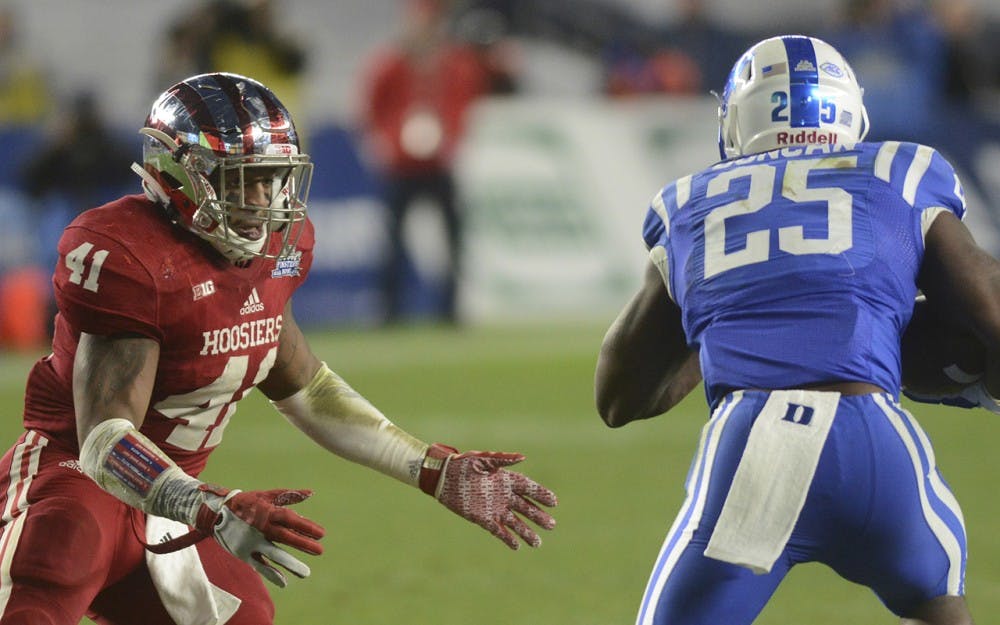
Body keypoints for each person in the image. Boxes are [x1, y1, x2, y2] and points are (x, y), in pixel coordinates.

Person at [0, 72, 557, 624]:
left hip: (171, 508)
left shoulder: (277, 252)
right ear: (181, 176)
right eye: (242, 180)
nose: (263, 199)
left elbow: (303, 384)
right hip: (73, 480)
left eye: (271, 179)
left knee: (243, 614)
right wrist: (209, 506)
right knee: (59, 556)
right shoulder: (129, 254)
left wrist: (429, 469)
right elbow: (103, 443)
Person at [595, 35, 998, 625]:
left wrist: (718, 309)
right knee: (937, 606)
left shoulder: (690, 200)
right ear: (847, 110)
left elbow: (618, 397)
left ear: (738, 118)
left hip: (758, 448)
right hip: (878, 442)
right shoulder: (899, 169)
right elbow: (989, 302)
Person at [361, 0, 503, 324]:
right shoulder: (390, 64)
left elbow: (466, 103)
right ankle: (389, 312)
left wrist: (448, 136)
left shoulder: (455, 65)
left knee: (454, 239)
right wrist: (390, 140)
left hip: (439, 165)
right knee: (392, 242)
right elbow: (371, 108)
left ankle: (450, 311)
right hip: (400, 167)